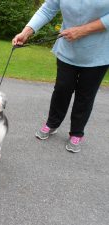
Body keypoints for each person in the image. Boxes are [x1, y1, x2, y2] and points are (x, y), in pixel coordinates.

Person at [12, 0, 109, 153]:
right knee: (62, 89)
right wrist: (26, 32)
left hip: (99, 53)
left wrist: (83, 30)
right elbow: (47, 9)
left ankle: (77, 133)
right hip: (67, 49)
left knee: (85, 95)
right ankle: (52, 123)